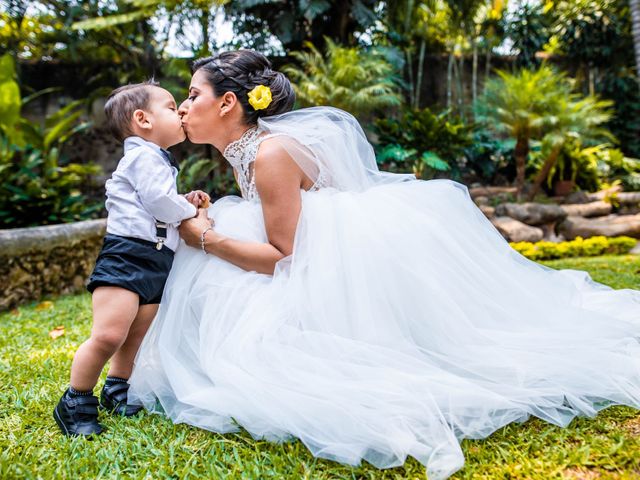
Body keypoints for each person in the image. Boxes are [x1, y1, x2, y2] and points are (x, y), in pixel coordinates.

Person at [128, 51, 640, 480]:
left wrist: (205, 236)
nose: (186, 104)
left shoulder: (269, 154)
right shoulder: (246, 151)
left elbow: (284, 257)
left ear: (228, 102)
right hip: (313, 256)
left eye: (192, 94)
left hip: (342, 265)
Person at [54, 80, 210, 437]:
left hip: (155, 260)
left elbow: (156, 201)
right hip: (126, 256)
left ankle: (117, 388)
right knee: (109, 335)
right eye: (171, 107)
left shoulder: (155, 159)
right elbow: (158, 202)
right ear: (143, 119)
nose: (181, 112)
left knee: (136, 335)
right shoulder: (142, 155)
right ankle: (75, 400)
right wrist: (189, 209)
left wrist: (184, 197)